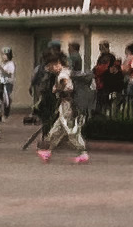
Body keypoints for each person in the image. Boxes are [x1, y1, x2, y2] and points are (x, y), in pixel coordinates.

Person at [32, 32, 91, 164]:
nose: (49, 68)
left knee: (71, 130)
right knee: (58, 128)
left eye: (50, 66)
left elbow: (66, 85)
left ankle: (82, 152)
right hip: (65, 105)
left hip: (69, 105)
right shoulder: (66, 71)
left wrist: (57, 88)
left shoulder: (62, 74)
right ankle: (48, 150)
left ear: (56, 63)